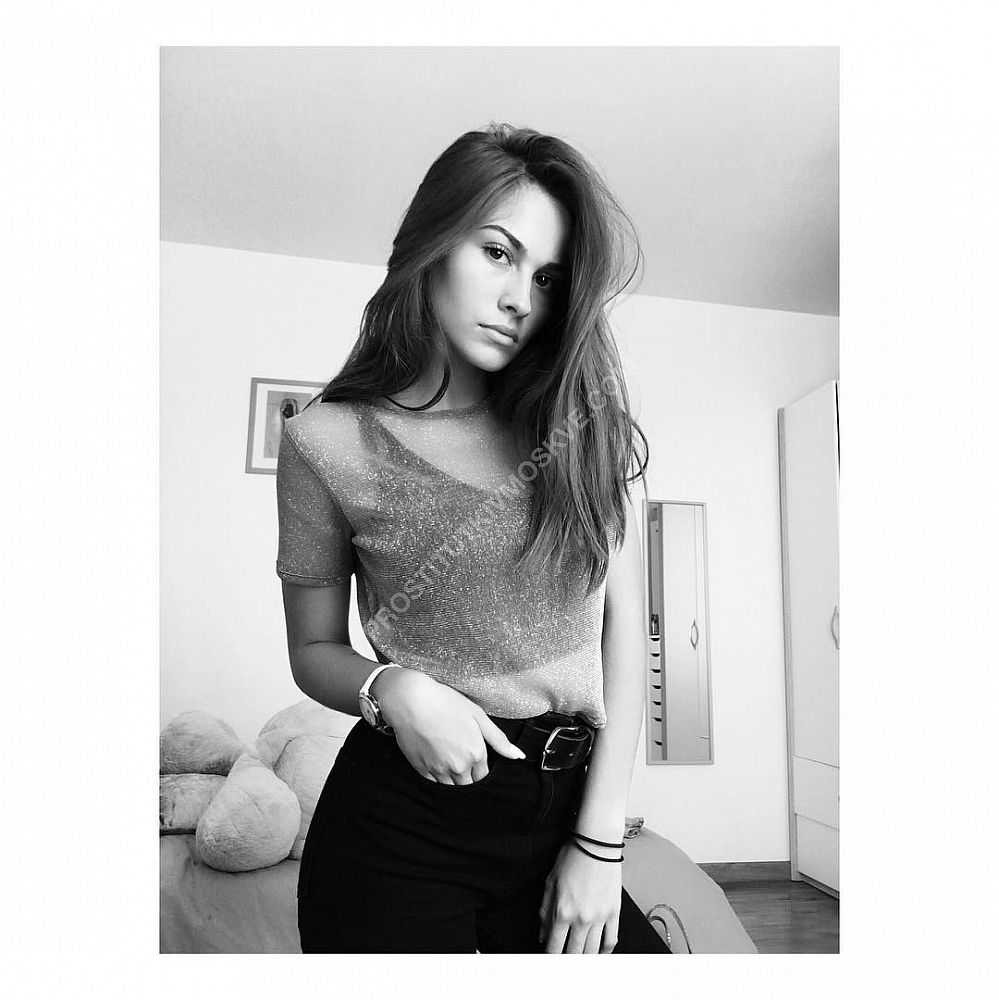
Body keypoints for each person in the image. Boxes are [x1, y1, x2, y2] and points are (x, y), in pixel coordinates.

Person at [275, 123, 667, 954]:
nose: (522, 298)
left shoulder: (583, 426)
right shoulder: (325, 441)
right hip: (400, 823)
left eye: (548, 277)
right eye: (497, 252)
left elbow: (623, 639)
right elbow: (312, 649)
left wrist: (599, 843)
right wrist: (391, 687)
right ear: (432, 243)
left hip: (566, 808)